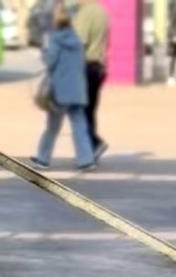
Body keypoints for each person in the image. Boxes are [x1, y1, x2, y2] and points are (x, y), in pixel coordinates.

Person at [31, 2, 96, 170]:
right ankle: (86, 160)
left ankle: (42, 158)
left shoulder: (55, 39)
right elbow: (81, 64)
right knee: (79, 125)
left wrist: (44, 52)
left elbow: (50, 62)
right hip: (77, 90)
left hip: (59, 91)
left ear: (56, 21)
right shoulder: (77, 40)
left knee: (52, 126)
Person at [72, 0, 109, 160]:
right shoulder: (101, 11)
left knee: (79, 111)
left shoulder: (85, 13)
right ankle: (90, 149)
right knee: (89, 110)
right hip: (97, 66)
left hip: (84, 66)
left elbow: (79, 42)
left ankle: (92, 144)